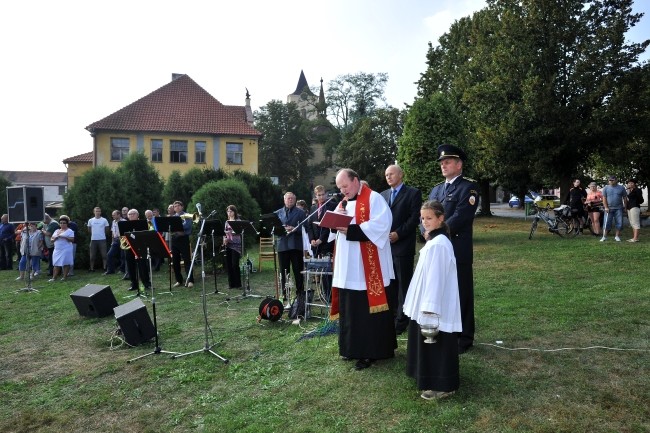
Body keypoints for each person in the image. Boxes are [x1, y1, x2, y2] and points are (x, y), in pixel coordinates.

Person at [329, 168, 396, 370]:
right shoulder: (343, 203)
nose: (343, 191)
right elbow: (336, 232)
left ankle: (370, 353)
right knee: (350, 309)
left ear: (356, 180)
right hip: (347, 268)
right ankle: (350, 348)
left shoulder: (374, 199)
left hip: (366, 268)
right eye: (340, 187)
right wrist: (334, 222)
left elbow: (382, 226)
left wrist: (350, 229)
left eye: (345, 186)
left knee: (366, 313)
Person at [403, 200, 462, 400]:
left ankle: (443, 384)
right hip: (426, 301)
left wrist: (429, 309)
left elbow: (436, 279)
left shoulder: (439, 244)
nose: (425, 222)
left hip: (435, 305)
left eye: (429, 218)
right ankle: (427, 376)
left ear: (440, 218)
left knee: (439, 344)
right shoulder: (434, 241)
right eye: (422, 218)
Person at [427, 144, 478, 354]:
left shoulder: (469, 188)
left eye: (447, 162)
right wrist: (425, 227)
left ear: (459, 164)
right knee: (443, 291)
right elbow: (426, 212)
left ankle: (464, 338)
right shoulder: (437, 189)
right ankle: (447, 331)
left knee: (462, 293)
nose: (443, 166)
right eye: (441, 162)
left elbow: (462, 216)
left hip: (457, 248)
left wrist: (435, 230)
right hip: (438, 249)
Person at [381, 164, 422, 335]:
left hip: (403, 245)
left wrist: (399, 233)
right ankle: (391, 317)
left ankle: (403, 320)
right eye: (386, 175)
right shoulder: (383, 195)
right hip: (385, 247)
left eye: (391, 174)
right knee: (389, 284)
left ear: (400, 175)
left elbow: (414, 219)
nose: (388, 177)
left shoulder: (412, 193)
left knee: (403, 285)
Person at [275, 192, 307, 301]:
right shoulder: (278, 213)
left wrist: (294, 228)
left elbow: (305, 227)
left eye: (292, 199)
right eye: (288, 198)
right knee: (284, 271)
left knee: (298, 270)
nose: (290, 200)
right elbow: (274, 229)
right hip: (282, 245)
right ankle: (285, 294)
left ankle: (300, 293)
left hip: (295, 245)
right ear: (284, 200)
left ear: (295, 200)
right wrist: (282, 229)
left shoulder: (301, 213)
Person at [124, 209, 151, 292]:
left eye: (133, 214)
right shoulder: (124, 224)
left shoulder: (143, 223)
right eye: (129, 214)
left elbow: (146, 234)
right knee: (130, 266)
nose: (131, 215)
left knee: (143, 265)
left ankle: (147, 283)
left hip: (140, 246)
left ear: (137, 215)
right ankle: (134, 284)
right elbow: (122, 235)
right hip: (129, 247)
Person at [308, 185, 336, 258]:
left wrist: (321, 239)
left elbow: (330, 225)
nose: (321, 197)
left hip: (327, 242)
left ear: (326, 194)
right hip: (315, 244)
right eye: (319, 195)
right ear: (315, 196)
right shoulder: (313, 208)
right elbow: (310, 225)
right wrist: (312, 239)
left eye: (323, 194)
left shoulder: (332, 206)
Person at [171, 201, 194, 288]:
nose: (176, 207)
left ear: (182, 207)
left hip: (184, 239)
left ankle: (190, 280)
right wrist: (178, 230)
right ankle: (179, 280)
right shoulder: (173, 217)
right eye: (175, 206)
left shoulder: (187, 215)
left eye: (178, 206)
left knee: (187, 260)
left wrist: (177, 228)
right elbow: (171, 228)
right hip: (175, 240)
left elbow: (187, 226)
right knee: (175, 261)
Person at [600, 175, 628, 242]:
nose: (611, 181)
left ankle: (617, 236)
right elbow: (604, 198)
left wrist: (625, 207)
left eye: (612, 180)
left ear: (616, 180)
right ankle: (604, 236)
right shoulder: (606, 188)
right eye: (609, 180)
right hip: (608, 208)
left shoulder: (621, 188)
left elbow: (625, 198)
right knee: (606, 223)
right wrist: (606, 207)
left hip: (619, 208)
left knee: (619, 222)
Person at [49, 215, 75, 282]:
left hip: (66, 249)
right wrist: (55, 238)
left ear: (67, 224)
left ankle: (64, 276)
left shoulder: (70, 231)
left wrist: (64, 237)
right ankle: (54, 277)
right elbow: (51, 239)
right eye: (61, 223)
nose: (62, 224)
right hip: (57, 249)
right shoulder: (56, 231)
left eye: (64, 223)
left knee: (66, 262)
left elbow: (72, 240)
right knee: (56, 263)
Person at [223, 205, 243, 289]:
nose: (229, 213)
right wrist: (224, 239)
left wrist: (230, 234)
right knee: (229, 264)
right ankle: (231, 284)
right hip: (228, 245)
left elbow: (239, 232)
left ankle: (238, 284)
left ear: (234, 212)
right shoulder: (226, 222)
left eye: (231, 211)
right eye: (228, 211)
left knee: (235, 264)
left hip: (236, 245)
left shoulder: (238, 221)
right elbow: (224, 232)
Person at [87, 207, 109, 271]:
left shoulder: (104, 220)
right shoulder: (90, 220)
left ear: (100, 212)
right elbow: (89, 230)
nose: (98, 212)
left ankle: (105, 267)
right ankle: (91, 268)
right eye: (96, 211)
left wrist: (101, 234)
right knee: (92, 256)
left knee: (104, 255)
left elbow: (107, 229)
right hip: (93, 240)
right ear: (94, 212)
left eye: (99, 211)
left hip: (102, 239)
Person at [105, 210, 124, 275]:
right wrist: (112, 241)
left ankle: (122, 270)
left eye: (114, 215)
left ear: (118, 215)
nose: (112, 216)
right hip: (115, 240)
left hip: (122, 239)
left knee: (122, 256)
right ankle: (110, 270)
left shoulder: (124, 221)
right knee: (109, 255)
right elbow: (113, 232)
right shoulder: (114, 222)